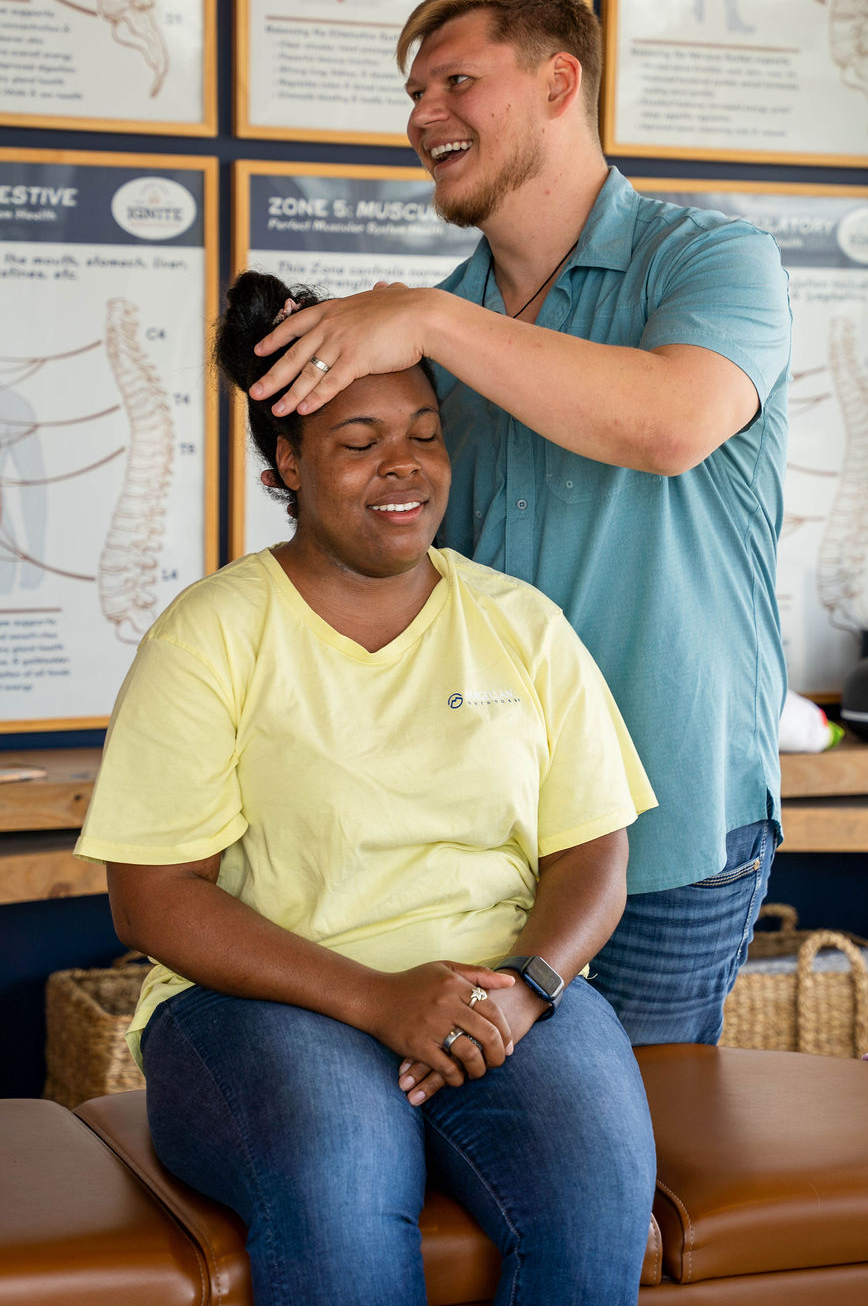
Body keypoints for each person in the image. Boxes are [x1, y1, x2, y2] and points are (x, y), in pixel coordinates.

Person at [75, 269, 658, 1306]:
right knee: (341, 1181)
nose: (405, 466)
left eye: (425, 432)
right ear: (285, 467)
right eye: (358, 442)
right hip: (264, 1002)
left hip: (498, 988)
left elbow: (591, 850)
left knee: (594, 1186)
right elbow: (154, 894)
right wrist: (381, 1001)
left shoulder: (520, 624)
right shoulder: (210, 634)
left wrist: (526, 987)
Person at [247, 0, 793, 1047]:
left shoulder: (712, 261)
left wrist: (429, 324)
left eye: (456, 81)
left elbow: (670, 421)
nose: (421, 117)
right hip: (481, 847)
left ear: (558, 82)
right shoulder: (427, 329)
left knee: (643, 1176)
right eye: (414, 95)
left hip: (670, 828)